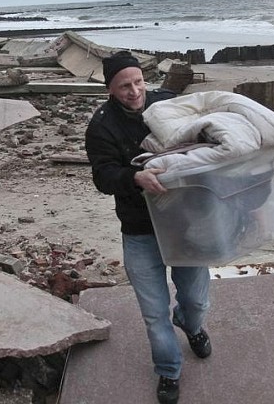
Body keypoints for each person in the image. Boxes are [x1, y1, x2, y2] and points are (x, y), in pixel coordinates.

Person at [85, 51, 212, 404]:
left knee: (196, 300)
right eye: (124, 86)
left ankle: (191, 323)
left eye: (139, 81)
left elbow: (205, 132)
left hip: (185, 222)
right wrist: (135, 177)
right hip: (139, 229)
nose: (135, 91)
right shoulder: (101, 126)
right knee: (154, 313)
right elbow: (102, 176)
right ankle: (169, 371)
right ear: (110, 88)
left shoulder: (167, 104)